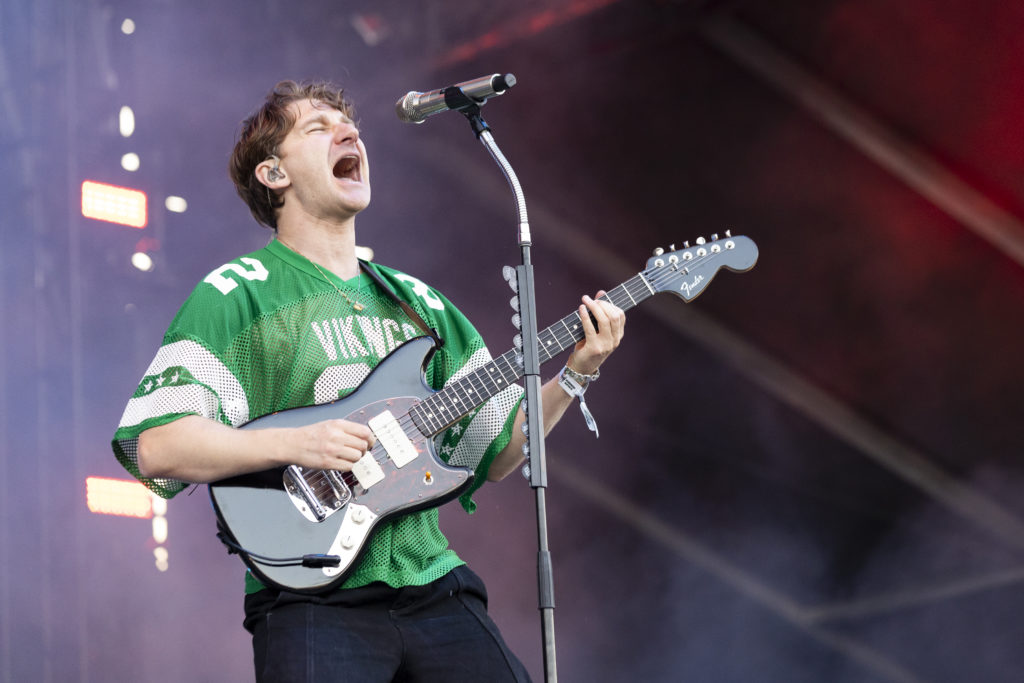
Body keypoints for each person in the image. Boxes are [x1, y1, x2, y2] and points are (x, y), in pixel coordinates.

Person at [111, 79, 625, 682]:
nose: (349, 133)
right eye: (319, 127)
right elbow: (154, 445)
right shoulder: (238, 293)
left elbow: (499, 450)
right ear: (274, 174)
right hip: (311, 596)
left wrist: (576, 373)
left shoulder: (419, 303)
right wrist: (297, 443)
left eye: (349, 125)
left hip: (433, 583)